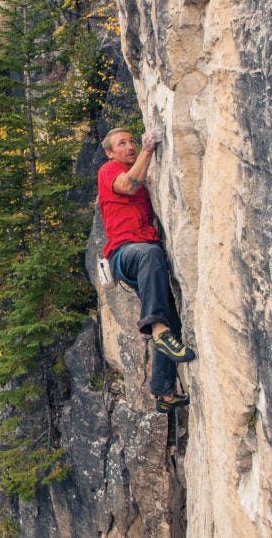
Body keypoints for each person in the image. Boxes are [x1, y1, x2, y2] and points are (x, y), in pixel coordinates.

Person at [98, 127, 195, 413]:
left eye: (131, 141)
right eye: (122, 143)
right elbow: (128, 185)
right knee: (149, 254)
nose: (129, 146)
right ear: (110, 153)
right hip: (125, 253)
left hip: (145, 255)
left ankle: (165, 392)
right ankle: (158, 330)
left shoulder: (140, 173)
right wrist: (148, 148)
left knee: (171, 318)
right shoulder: (109, 170)